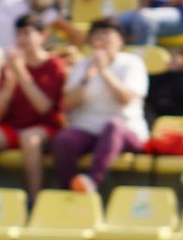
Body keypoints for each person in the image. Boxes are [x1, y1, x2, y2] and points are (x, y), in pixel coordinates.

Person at [0, 14, 67, 199]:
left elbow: (43, 107)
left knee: (30, 139)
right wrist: (9, 85)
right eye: (18, 34)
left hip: (47, 128)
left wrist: (21, 74)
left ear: (42, 36)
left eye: (27, 33)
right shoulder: (9, 66)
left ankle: (35, 200)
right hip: (14, 128)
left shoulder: (54, 65)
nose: (22, 39)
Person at [53, 18, 149, 193]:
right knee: (64, 140)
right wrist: (86, 78)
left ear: (120, 41)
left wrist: (104, 71)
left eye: (107, 35)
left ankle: (92, 181)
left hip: (125, 129)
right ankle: (69, 190)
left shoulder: (132, 64)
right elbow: (68, 104)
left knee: (113, 126)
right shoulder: (82, 66)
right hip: (87, 128)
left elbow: (125, 99)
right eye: (97, 35)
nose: (102, 40)